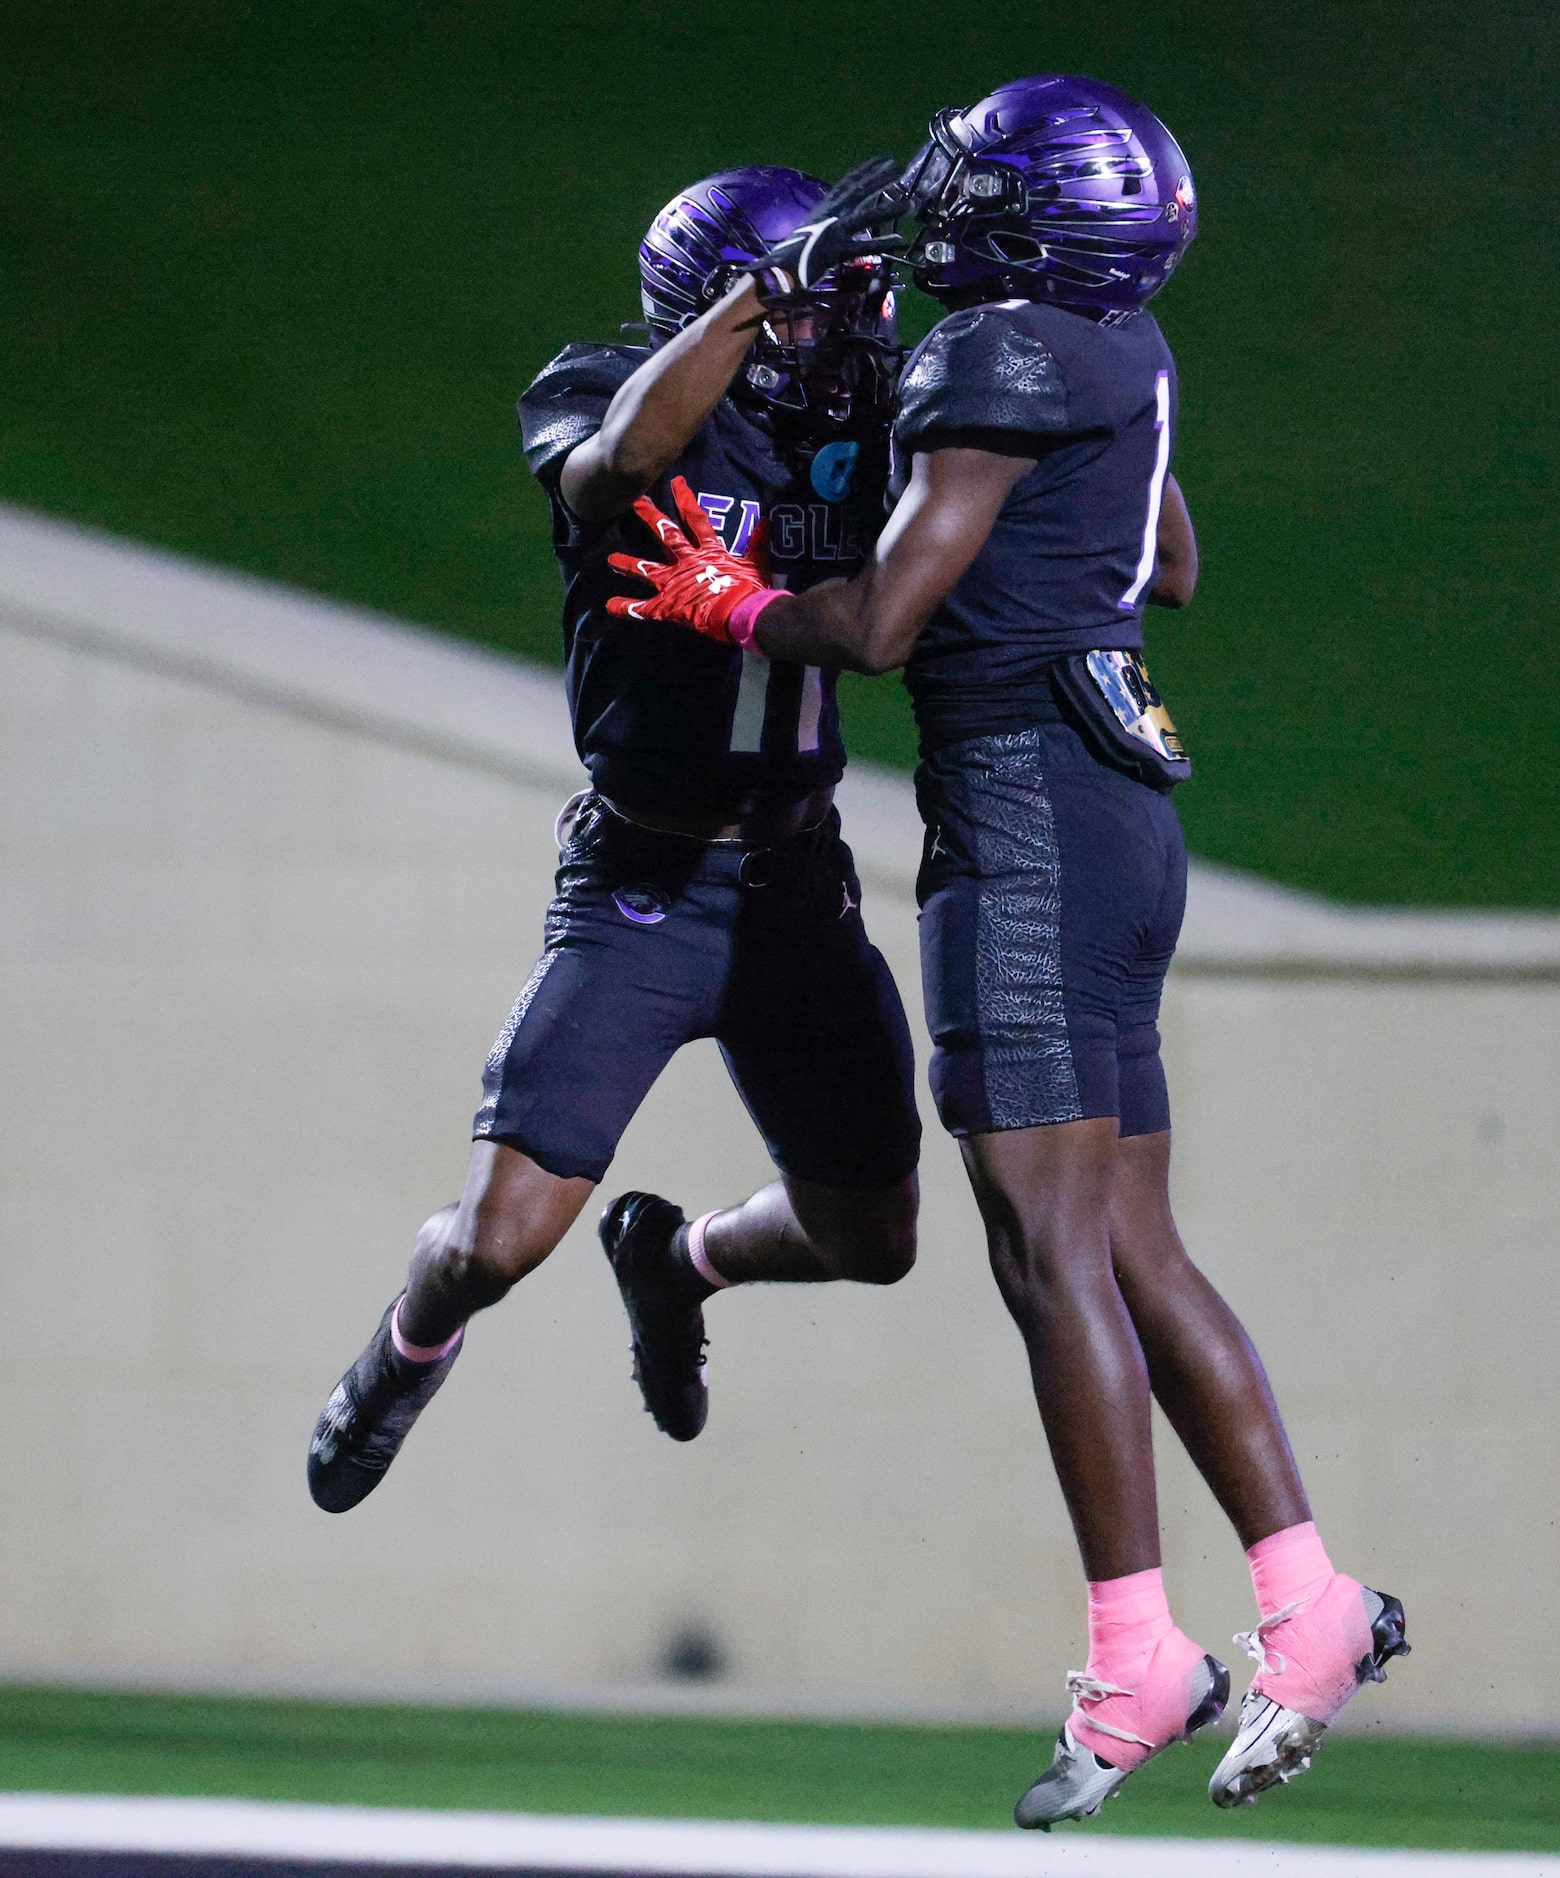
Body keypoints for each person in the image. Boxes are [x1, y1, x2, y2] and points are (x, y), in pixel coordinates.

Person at [606, 79, 1408, 1826]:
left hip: (1030, 813)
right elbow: (1165, 560)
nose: (940, 204)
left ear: (1032, 221)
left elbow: (881, 626)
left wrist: (732, 604)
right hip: (1128, 805)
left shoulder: (995, 352)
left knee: (1050, 1256)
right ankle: (1311, 1600)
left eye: (976, 186)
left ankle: (1139, 1651)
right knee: (1129, 1242)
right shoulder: (1119, 349)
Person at [306, 165, 921, 1516]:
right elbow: (620, 465)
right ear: (721, 306)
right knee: (496, 1240)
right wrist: (759, 304)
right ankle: (407, 1349)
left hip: (797, 887)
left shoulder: (875, 425)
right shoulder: (610, 388)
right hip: (645, 877)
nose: (839, 340)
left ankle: (680, 1259)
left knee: (872, 1237)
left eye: (836, 309)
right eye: (803, 310)